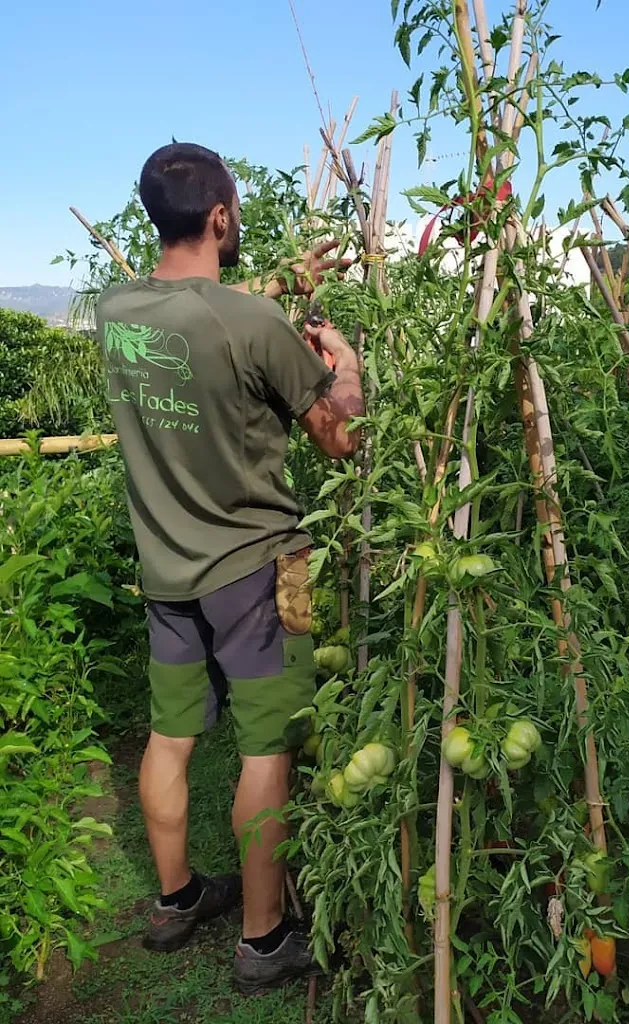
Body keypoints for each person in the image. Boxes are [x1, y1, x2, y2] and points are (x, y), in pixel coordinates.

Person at [95, 142, 363, 994]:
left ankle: (175, 900)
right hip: (259, 567)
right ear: (219, 216)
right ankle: (263, 939)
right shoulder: (257, 329)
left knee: (170, 738)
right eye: (234, 210)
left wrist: (282, 281)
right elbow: (341, 439)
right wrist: (347, 368)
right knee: (266, 749)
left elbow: (200, 313)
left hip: (166, 569)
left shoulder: (116, 310)